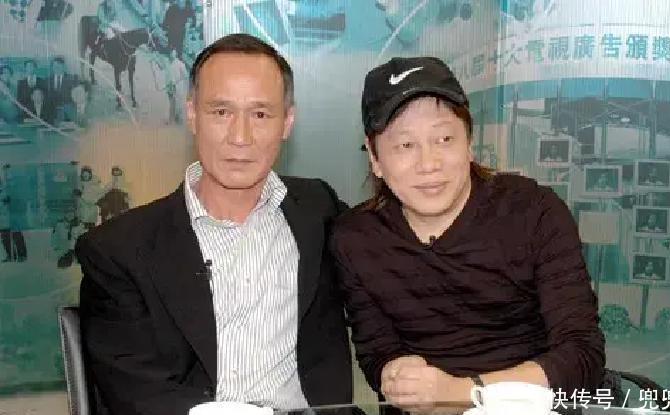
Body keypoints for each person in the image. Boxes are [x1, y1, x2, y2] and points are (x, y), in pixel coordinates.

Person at [76, 33, 352, 415]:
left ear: (287, 122)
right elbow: (137, 395)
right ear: (192, 115)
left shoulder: (319, 211)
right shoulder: (119, 251)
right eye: (221, 112)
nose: (240, 137)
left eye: (260, 114)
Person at [331, 57, 604, 413]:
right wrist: (395, 373)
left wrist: (463, 392)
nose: (429, 164)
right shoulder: (356, 239)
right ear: (375, 157)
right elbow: (377, 351)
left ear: (469, 142)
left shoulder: (532, 211)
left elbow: (582, 356)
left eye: (444, 138)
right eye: (406, 145)